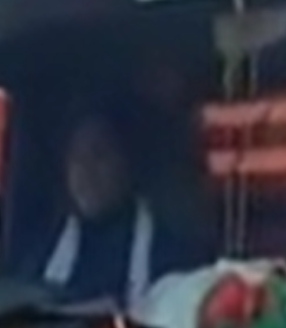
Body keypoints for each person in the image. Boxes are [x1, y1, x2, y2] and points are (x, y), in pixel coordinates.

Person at [40, 108, 211, 306]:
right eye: (76, 157)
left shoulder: (167, 250)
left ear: (126, 161)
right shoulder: (45, 249)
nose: (86, 170)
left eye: (99, 154)